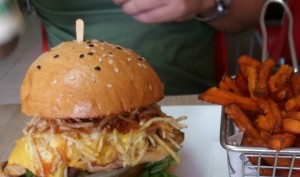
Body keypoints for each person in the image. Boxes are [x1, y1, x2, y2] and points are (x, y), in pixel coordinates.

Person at [2, 0, 265, 95]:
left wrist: (206, 2)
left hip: (186, 100)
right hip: (69, 107)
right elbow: (6, 42)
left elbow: (254, 12)